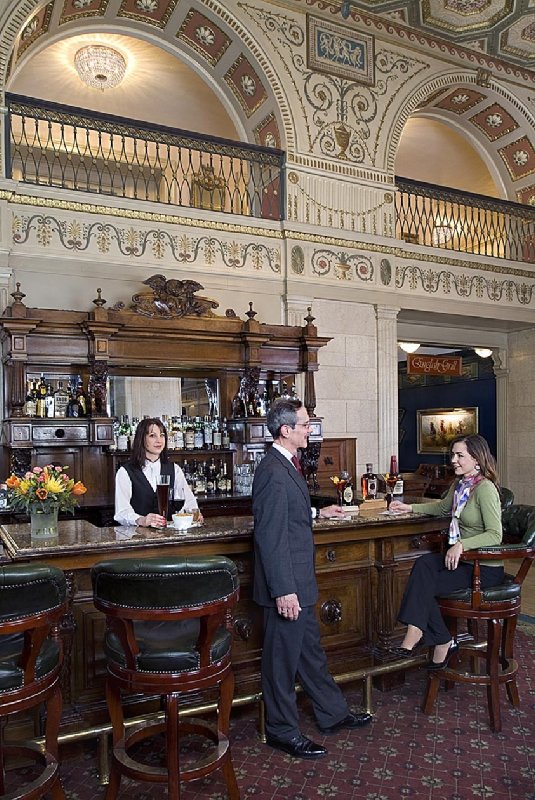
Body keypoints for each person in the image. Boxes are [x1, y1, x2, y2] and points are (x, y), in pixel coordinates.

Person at [252, 398, 372, 760]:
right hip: (287, 586)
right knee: (281, 662)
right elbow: (270, 537)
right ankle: (282, 731)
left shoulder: (286, 463)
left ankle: (332, 714)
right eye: (305, 424)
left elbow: (289, 514)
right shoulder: (272, 471)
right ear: (286, 430)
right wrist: (284, 590)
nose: (310, 429)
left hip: (300, 582)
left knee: (311, 655)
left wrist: (319, 512)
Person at [389, 434, 504, 669]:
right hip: (464, 562)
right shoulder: (461, 484)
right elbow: (442, 507)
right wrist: (408, 507)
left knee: (424, 585)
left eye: (460, 455)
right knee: (424, 565)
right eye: (453, 455)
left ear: (477, 459)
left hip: (483, 568)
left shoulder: (485, 489)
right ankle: (428, 634)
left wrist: (462, 545)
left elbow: (495, 534)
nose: (453, 460)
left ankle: (431, 638)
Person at [114, 417, 201, 527]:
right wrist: (141, 520)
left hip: (170, 536)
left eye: (162, 435)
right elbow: (121, 512)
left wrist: (193, 515)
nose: (159, 440)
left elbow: (189, 503)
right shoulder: (125, 472)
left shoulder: (174, 469)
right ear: (141, 439)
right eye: (152, 436)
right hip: (138, 537)